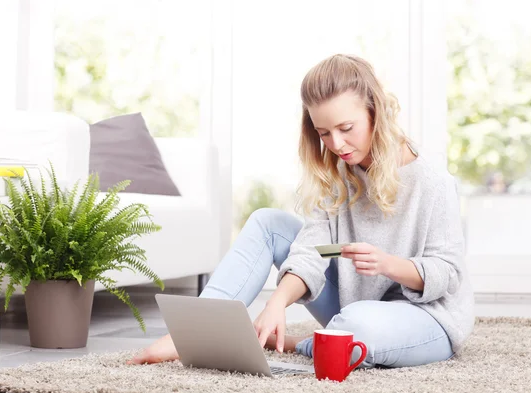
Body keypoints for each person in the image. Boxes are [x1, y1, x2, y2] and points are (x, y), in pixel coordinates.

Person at [128, 54, 475, 368]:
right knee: (269, 224)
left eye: (346, 128)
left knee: (355, 324)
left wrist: (390, 265)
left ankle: (300, 344)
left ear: (375, 112)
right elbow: (314, 250)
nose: (336, 144)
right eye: (324, 133)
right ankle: (194, 332)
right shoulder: (337, 173)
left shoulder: (431, 180)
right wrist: (276, 302)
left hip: (426, 318)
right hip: (353, 303)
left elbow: (448, 272)